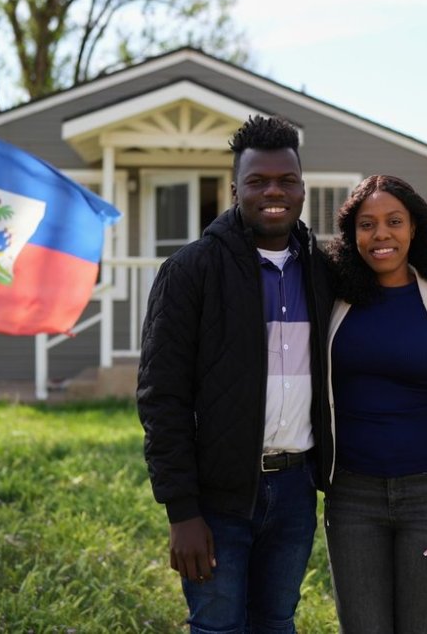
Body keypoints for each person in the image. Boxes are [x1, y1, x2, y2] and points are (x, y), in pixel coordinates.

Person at [137, 115, 334, 633]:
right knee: (217, 627)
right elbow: (162, 397)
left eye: (286, 180)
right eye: (258, 181)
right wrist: (182, 511)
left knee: (276, 622)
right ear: (234, 190)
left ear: (302, 187)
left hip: (295, 490)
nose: (274, 191)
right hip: (217, 498)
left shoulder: (325, 272)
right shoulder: (190, 271)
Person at [323, 174, 427, 634]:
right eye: (367, 224)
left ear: (414, 228)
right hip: (352, 496)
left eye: (394, 221)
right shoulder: (333, 297)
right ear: (352, 234)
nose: (381, 234)